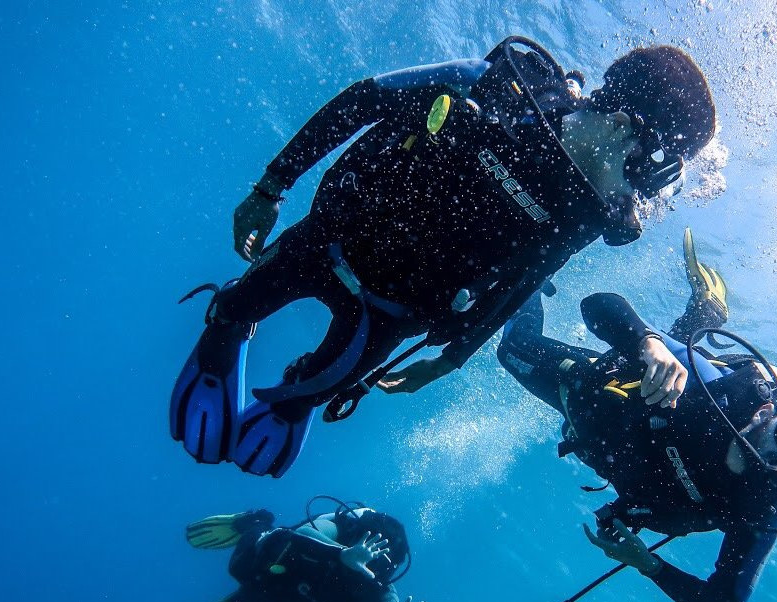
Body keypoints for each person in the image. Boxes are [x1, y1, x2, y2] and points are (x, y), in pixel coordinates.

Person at [170, 36, 717, 477]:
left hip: (392, 313)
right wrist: (271, 188)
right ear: (621, 128)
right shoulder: (500, 87)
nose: (636, 201)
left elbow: (526, 280)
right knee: (235, 308)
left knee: (313, 389)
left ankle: (289, 400)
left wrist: (452, 358)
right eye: (646, 176)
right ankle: (226, 331)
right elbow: (365, 100)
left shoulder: (585, 211)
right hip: (328, 239)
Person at [497, 229, 777, 602]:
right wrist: (647, 345)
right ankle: (527, 269)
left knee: (679, 358)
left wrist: (649, 565)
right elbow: (597, 305)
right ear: (767, 411)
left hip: (617, 446)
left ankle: (704, 310)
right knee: (516, 348)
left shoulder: (761, 509)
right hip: (602, 401)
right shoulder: (726, 392)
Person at [179, 505, 422, 602]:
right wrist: (341, 554)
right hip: (280, 562)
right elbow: (302, 534)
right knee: (240, 569)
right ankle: (255, 522)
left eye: (382, 563)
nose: (371, 559)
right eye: (371, 545)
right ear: (358, 535)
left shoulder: (378, 588)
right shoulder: (339, 530)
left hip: (297, 597)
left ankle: (250, 595)